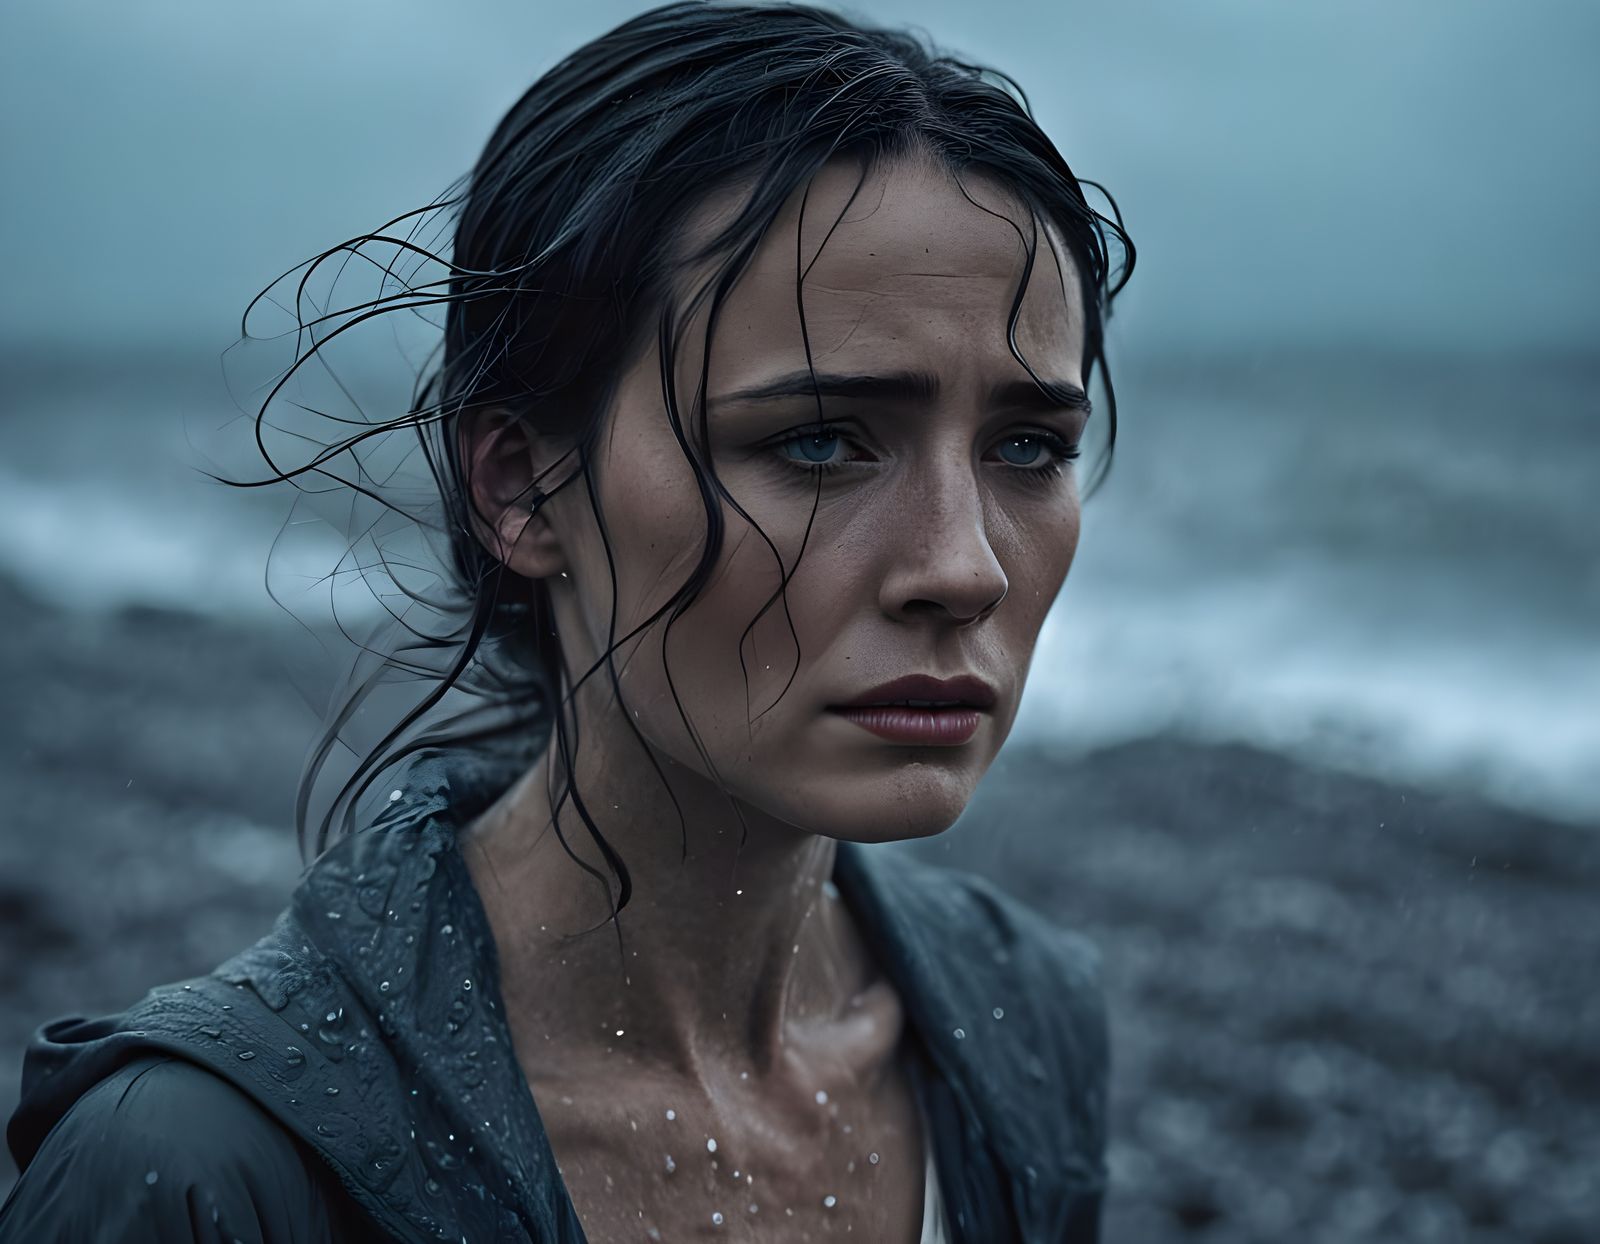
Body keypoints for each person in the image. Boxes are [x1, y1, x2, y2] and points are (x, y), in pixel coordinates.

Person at [0, 1, 1134, 1239]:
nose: (962, 567)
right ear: (520, 486)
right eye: (817, 440)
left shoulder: (1021, 1024)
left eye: (1028, 445)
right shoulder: (201, 1165)